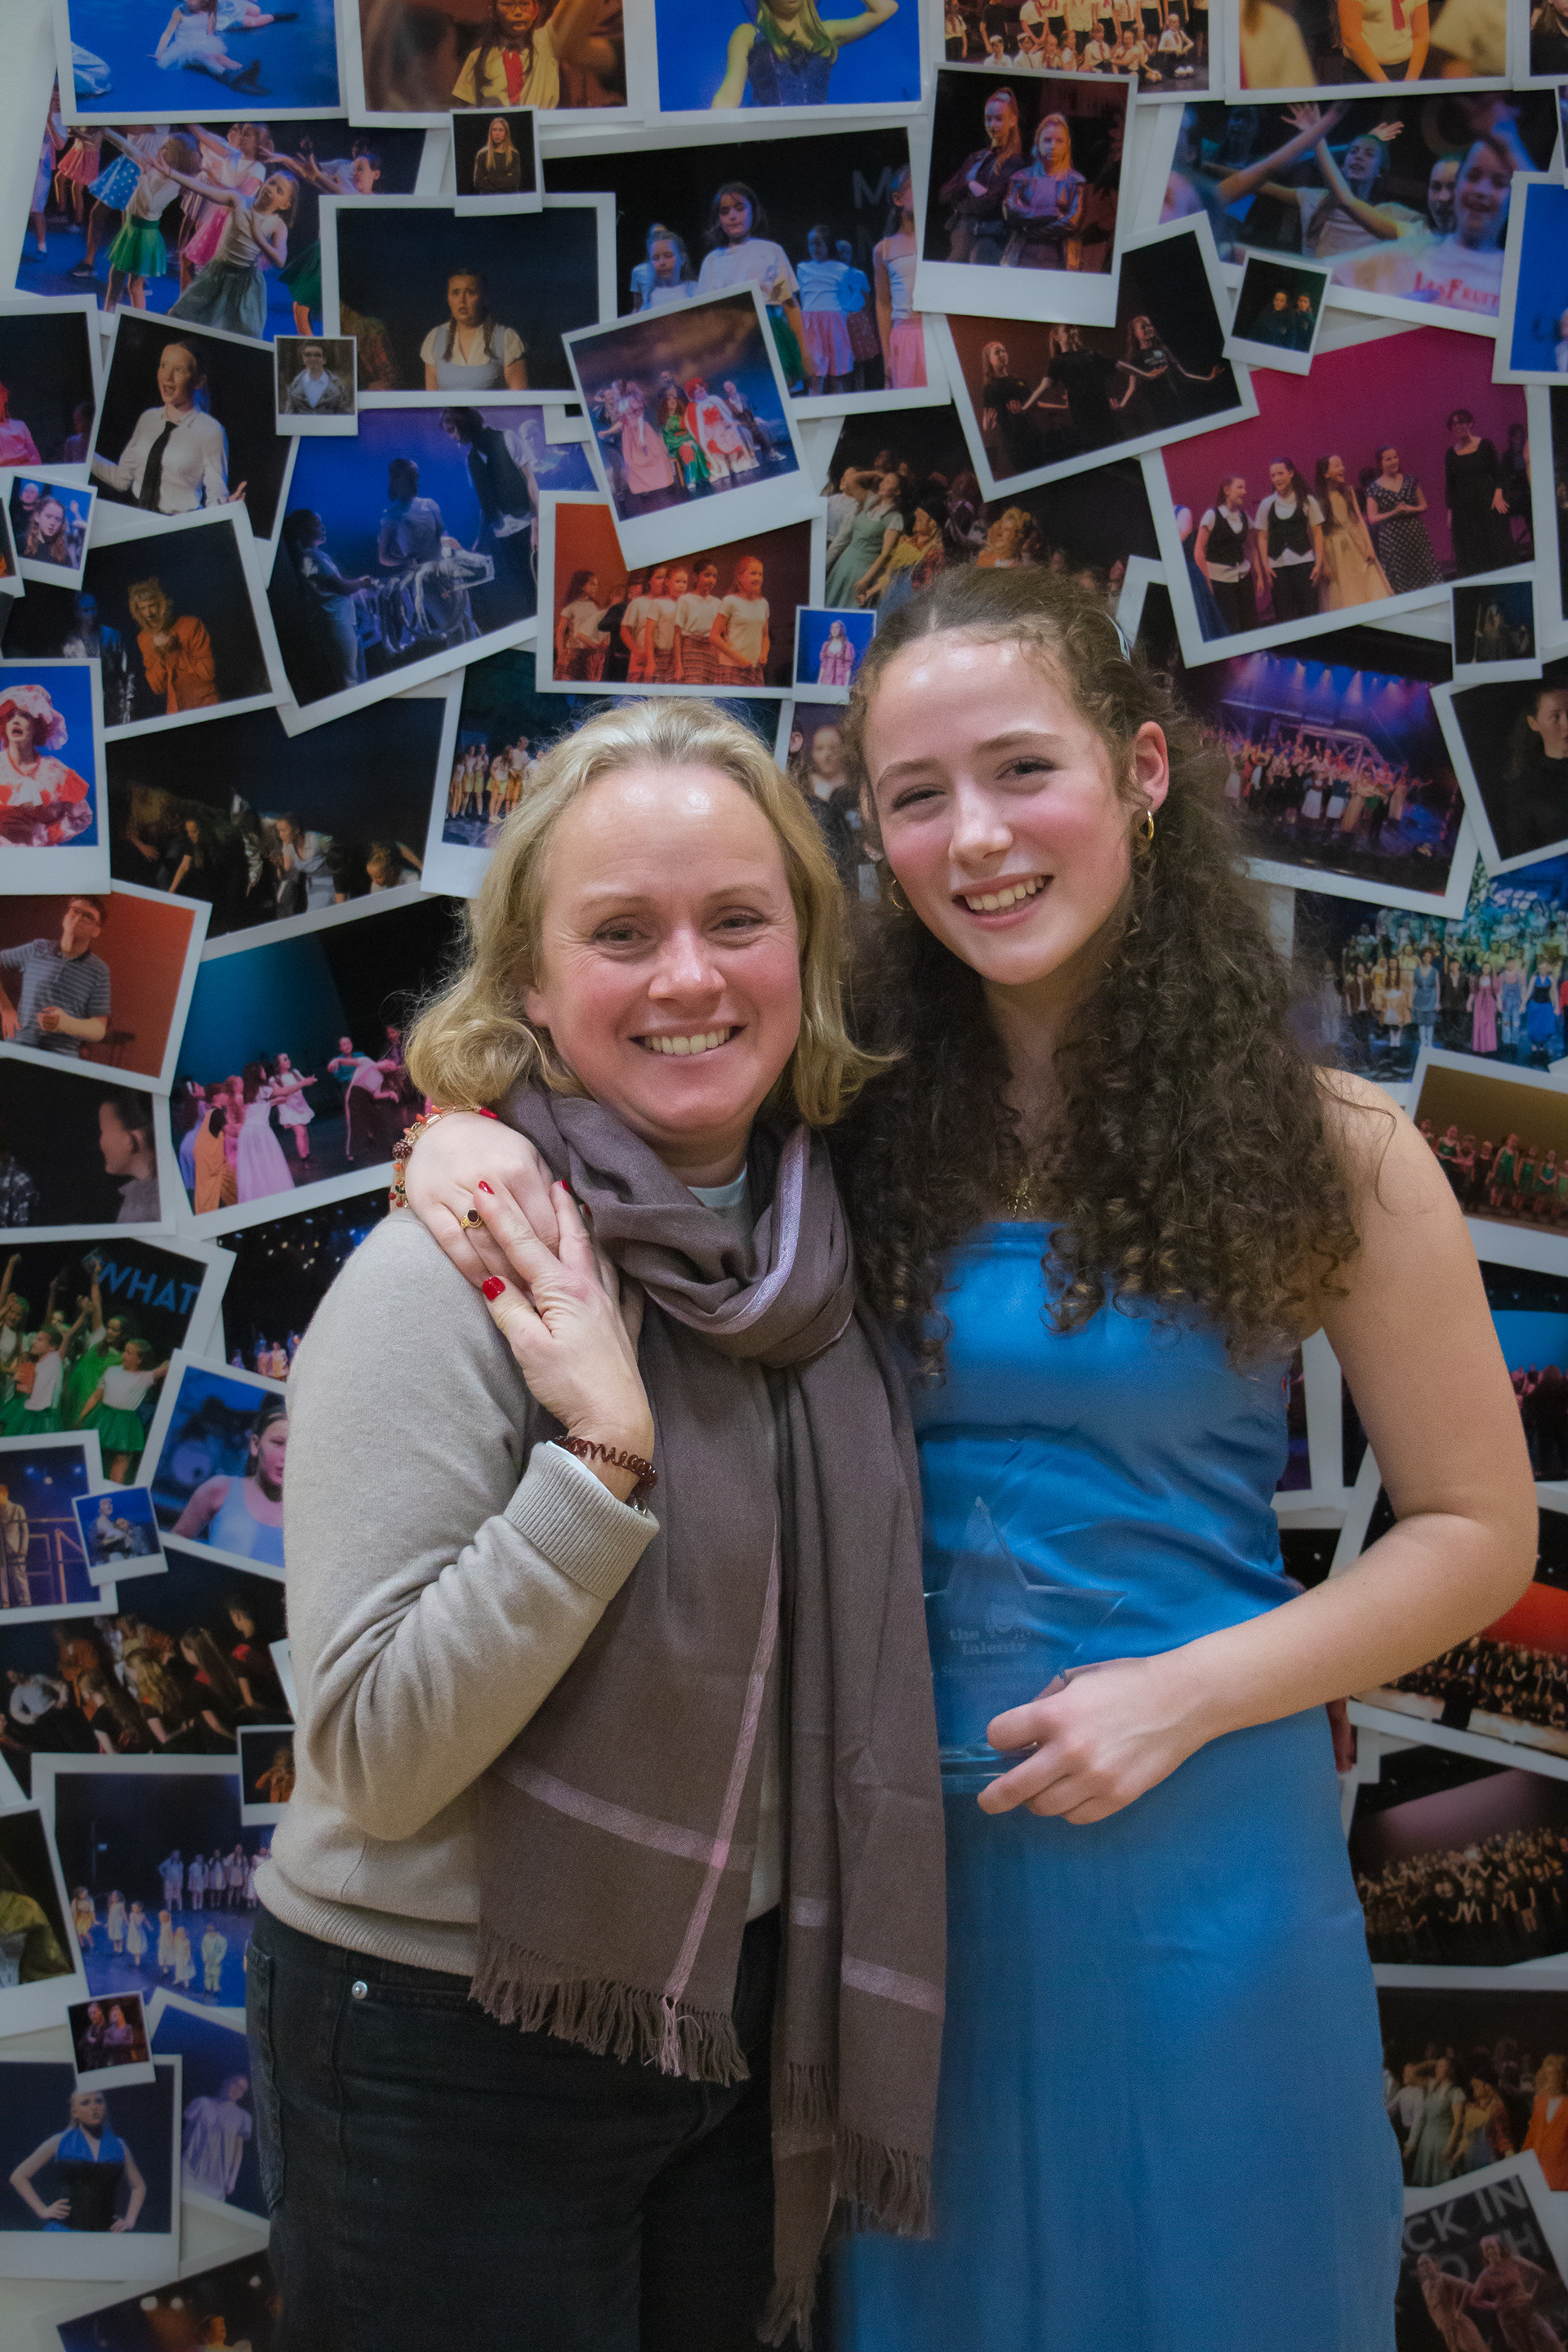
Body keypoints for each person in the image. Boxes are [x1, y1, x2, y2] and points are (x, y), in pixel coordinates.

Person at [403, 568, 1538, 2348]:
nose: (978, 839)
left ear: (1141, 772)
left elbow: (1478, 1531)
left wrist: (1185, 1696)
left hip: (1199, 1877)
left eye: (1023, 770)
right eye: (917, 796)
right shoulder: (828, 1121)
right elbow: (585, 1112)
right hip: (882, 1891)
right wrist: (451, 1142)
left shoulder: (1335, 1146)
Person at [247, 697, 943, 2352]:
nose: (689, 977)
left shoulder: (815, 1259)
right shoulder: (455, 1272)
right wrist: (598, 1460)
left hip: (721, 2013)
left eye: (737, 920)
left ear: (807, 955)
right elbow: (377, 1757)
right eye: (621, 933)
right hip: (442, 2029)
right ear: (532, 987)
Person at [696, 182, 806, 388]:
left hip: (771, 335)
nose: (733, 216)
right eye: (725, 211)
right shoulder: (712, 262)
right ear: (718, 218)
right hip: (732, 344)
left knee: (779, 390)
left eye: (740, 208)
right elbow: (705, 318)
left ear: (753, 210)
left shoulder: (771, 251)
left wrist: (805, 351)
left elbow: (789, 304)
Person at [708, 0, 901, 105]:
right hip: (772, 141)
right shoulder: (748, 34)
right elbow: (728, 96)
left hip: (818, 137)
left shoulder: (825, 33)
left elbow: (886, 8)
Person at [8, 2089, 147, 2233]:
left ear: (105, 2107)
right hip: (64, 2231)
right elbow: (18, 2176)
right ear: (75, 2112)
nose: (94, 2107)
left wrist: (130, 2220)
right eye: (85, 2103)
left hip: (104, 2234)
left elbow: (139, 2186)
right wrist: (42, 2210)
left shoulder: (119, 2146)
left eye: (99, 2101)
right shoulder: (60, 2142)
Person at [174, 1393, 287, 1566]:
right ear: (255, 1444)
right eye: (278, 1443)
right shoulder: (219, 1489)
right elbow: (175, 1544)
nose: (286, 1455)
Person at [0, 896, 110, 1059]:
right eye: (75, 911)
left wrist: (65, 1024)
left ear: (96, 931)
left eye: (88, 916)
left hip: (61, 1059)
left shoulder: (99, 970)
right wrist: (5, 1009)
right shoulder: (37, 948)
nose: (78, 918)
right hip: (18, 1048)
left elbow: (100, 1029)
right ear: (65, 917)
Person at [451, 0, 614, 106]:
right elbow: (465, 112)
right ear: (493, 12)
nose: (517, 11)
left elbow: (566, 17)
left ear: (535, 10)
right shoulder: (477, 58)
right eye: (507, 4)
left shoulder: (548, 42)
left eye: (524, 4)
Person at [0, 683, 95, 848]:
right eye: (10, 716)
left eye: (25, 715)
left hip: (44, 857)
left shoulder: (57, 771)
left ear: (37, 725)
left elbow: (82, 816)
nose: (15, 721)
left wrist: (45, 835)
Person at [942, 87, 1027, 265]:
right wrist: (968, 186)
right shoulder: (976, 157)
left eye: (999, 119)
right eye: (988, 119)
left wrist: (958, 203)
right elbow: (944, 193)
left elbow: (987, 203)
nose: (993, 125)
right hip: (961, 238)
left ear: (1012, 120)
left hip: (989, 240)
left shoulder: (1015, 163)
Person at [1489, 686, 1568, 865]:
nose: (1566, 725)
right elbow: (1524, 856)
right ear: (1534, 723)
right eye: (1555, 717)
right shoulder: (1524, 790)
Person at [1000, 113, 1086, 270]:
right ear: (1037, 142)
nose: (1053, 146)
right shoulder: (1021, 177)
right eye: (1047, 140)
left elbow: (1071, 223)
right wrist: (1052, 213)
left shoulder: (1075, 181)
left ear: (1067, 144)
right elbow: (1011, 212)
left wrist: (1030, 230)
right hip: (1022, 255)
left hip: (1060, 258)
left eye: (1059, 141)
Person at [421, 268, 528, 393]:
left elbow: (520, 398)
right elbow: (432, 397)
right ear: (448, 299)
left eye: (470, 293)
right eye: (455, 293)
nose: (462, 301)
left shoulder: (505, 339)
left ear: (484, 298)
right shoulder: (436, 338)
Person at [128, 576, 219, 717]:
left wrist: (174, 650)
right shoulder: (144, 638)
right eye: (143, 608)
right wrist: (160, 653)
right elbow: (157, 687)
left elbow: (208, 673)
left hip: (205, 705)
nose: (148, 614)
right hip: (175, 711)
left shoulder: (191, 625)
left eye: (152, 606)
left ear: (161, 604)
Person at [1314, 454, 1392, 608]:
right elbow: (1319, 533)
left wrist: (1370, 547)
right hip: (1336, 550)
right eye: (1337, 466)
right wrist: (1324, 563)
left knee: (1368, 582)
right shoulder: (1319, 499)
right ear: (1326, 473)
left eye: (1342, 465)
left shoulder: (1348, 491)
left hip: (1356, 544)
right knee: (1345, 588)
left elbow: (1360, 520)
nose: (1342, 468)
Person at [1446, 408, 1516, 576]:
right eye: (1453, 424)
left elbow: (1499, 473)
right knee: (1473, 551)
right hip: (1464, 510)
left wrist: (1498, 495)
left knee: (1496, 546)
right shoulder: (1450, 454)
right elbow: (1451, 485)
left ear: (1470, 423)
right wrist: (1450, 512)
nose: (1457, 427)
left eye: (1461, 422)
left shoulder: (1485, 445)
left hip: (1487, 503)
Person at [1254, 458, 1325, 624]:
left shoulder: (1307, 500)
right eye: (1273, 475)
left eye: (1280, 474)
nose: (1277, 479)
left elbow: (1317, 533)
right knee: (1285, 616)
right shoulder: (1267, 504)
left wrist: (1318, 564)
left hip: (1304, 564)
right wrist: (1266, 566)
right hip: (1278, 567)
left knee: (1309, 613)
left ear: (1291, 473)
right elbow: (1262, 537)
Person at [873, 165, 925, 390]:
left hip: (936, 332)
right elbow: (883, 304)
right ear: (898, 199)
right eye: (917, 188)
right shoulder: (884, 249)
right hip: (905, 337)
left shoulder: (934, 241)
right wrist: (887, 357)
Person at [1364, 443, 1441, 592]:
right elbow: (1372, 518)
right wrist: (1394, 512)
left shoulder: (1410, 480)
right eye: (1388, 459)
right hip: (1392, 539)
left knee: (1425, 571)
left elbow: (1424, 505)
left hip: (1415, 533)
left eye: (1395, 457)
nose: (1394, 461)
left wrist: (1411, 509)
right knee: (1401, 578)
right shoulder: (1374, 488)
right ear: (1380, 463)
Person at [1194, 475, 1258, 633]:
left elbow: (1251, 547)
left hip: (1243, 578)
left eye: (1245, 488)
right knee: (1231, 625)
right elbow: (1199, 551)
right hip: (1220, 580)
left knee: (1250, 623)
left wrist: (1259, 575)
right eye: (1240, 487)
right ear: (1227, 491)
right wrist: (1207, 581)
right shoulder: (1212, 515)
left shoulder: (1243, 517)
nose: (1244, 492)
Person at [183, 2074, 253, 2201]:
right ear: (227, 2082)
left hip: (217, 2178)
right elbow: (186, 2133)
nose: (237, 2089)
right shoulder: (202, 2103)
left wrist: (232, 2180)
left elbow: (238, 2150)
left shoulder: (243, 2117)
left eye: (242, 2089)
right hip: (190, 2168)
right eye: (235, 2083)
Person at [281, 343, 353, 416]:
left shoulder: (338, 387)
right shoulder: (294, 386)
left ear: (324, 360)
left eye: (317, 355)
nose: (313, 358)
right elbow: (289, 414)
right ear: (303, 359)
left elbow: (345, 415)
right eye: (308, 355)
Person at [472, 115, 523, 195]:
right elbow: (478, 182)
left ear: (506, 133)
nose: (497, 133)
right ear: (491, 133)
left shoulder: (514, 155)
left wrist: (489, 178)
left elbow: (515, 182)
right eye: (494, 130)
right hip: (488, 197)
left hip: (509, 197)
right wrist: (501, 186)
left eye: (501, 130)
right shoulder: (482, 155)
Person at [817, 617, 857, 688]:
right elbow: (823, 665)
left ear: (841, 630)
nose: (834, 630)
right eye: (832, 628)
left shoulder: (848, 646)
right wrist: (819, 682)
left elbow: (848, 667)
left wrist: (846, 684)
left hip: (840, 680)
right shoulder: (826, 645)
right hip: (826, 680)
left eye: (837, 628)